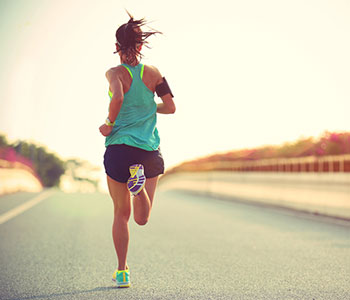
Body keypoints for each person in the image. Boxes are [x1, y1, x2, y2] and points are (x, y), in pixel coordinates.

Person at [99, 13, 176, 288]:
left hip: (119, 149)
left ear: (117, 47)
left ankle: (122, 272)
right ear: (141, 46)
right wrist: (149, 107)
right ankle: (139, 187)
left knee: (121, 214)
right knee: (142, 218)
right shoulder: (154, 73)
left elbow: (118, 96)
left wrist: (109, 123)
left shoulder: (114, 73)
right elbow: (171, 106)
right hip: (148, 152)